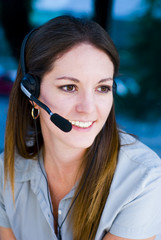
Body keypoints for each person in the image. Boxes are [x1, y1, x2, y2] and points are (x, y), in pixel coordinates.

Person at [0, 15, 161, 240]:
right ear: (32, 93)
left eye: (102, 88)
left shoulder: (143, 178)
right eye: (69, 87)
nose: (88, 108)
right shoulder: (5, 173)